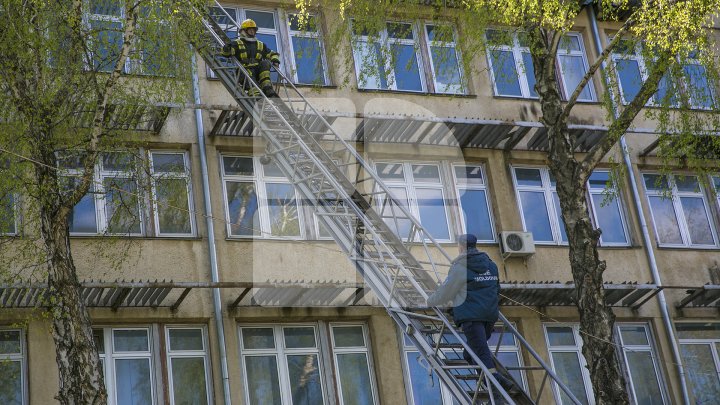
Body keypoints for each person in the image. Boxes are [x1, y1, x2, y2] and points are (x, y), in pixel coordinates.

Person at [426, 233, 517, 397]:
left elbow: (446, 291)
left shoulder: (460, 267)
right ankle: (496, 385)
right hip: (489, 316)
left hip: (471, 319)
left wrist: (430, 301)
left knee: (481, 354)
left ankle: (498, 390)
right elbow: (496, 290)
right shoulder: (491, 265)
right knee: (470, 353)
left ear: (460, 247)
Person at [222, 19, 281, 98]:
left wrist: (275, 60)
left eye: (253, 30)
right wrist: (226, 48)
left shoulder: (260, 44)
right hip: (244, 71)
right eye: (250, 30)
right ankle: (256, 95)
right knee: (249, 77)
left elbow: (272, 53)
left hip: (257, 71)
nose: (252, 32)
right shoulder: (236, 43)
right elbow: (226, 54)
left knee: (265, 63)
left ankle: (267, 88)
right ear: (244, 31)